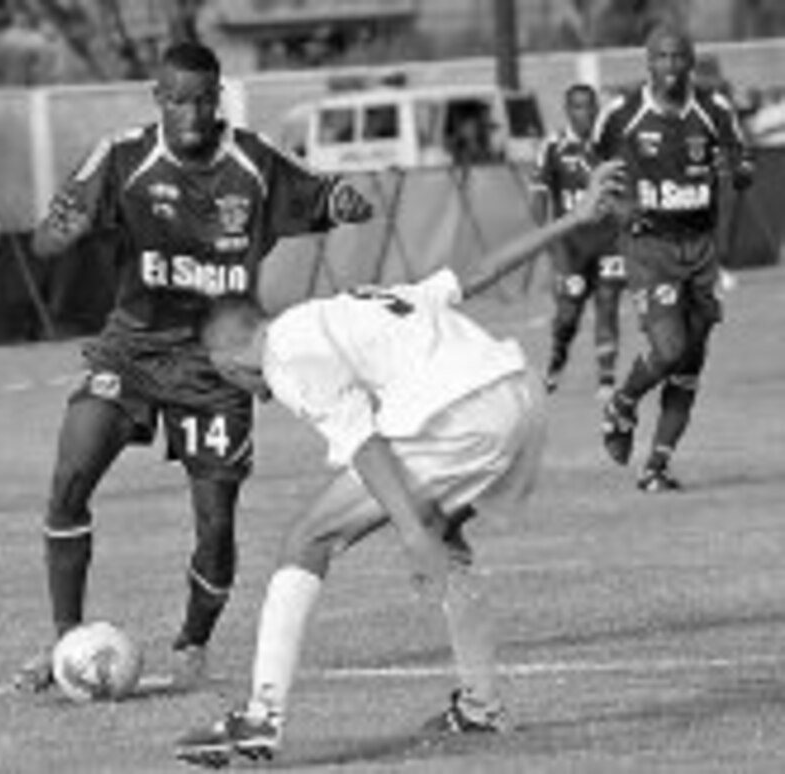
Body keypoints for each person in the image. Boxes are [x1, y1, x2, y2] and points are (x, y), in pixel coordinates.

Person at [174, 159, 624, 767]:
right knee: (448, 537)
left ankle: (260, 719)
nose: (230, 386)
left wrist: (409, 532)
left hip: (461, 413)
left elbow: (365, 441)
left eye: (220, 375)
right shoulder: (347, 305)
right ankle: (481, 707)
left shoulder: (285, 354)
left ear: (229, 359)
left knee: (307, 538)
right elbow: (478, 272)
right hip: (515, 394)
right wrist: (573, 218)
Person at [12, 41, 373, 693]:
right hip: (131, 350)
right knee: (70, 476)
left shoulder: (253, 164)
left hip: (218, 367)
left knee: (215, 523)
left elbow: (326, 196)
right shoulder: (122, 157)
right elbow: (47, 237)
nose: (192, 113)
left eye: (204, 99)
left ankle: (192, 644)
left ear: (219, 97)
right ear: (158, 99)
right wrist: (54, 235)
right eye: (178, 99)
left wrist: (346, 201)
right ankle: (64, 643)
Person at [594, 23, 753, 492]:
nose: (670, 66)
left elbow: (743, 163)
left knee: (691, 360)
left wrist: (738, 171)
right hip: (650, 248)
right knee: (669, 349)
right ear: (648, 62)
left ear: (691, 60)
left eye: (678, 57)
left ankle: (655, 468)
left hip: (700, 249)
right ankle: (622, 403)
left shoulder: (714, 108)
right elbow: (592, 169)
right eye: (661, 57)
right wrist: (623, 209)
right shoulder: (622, 113)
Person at [530, 83, 625, 399]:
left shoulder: (611, 145)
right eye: (580, 107)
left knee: (608, 303)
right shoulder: (553, 146)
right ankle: (556, 361)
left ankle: (607, 378)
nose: (587, 113)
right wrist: (546, 238)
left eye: (591, 106)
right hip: (570, 246)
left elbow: (628, 192)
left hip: (608, 241)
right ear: (568, 110)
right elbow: (539, 196)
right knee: (569, 314)